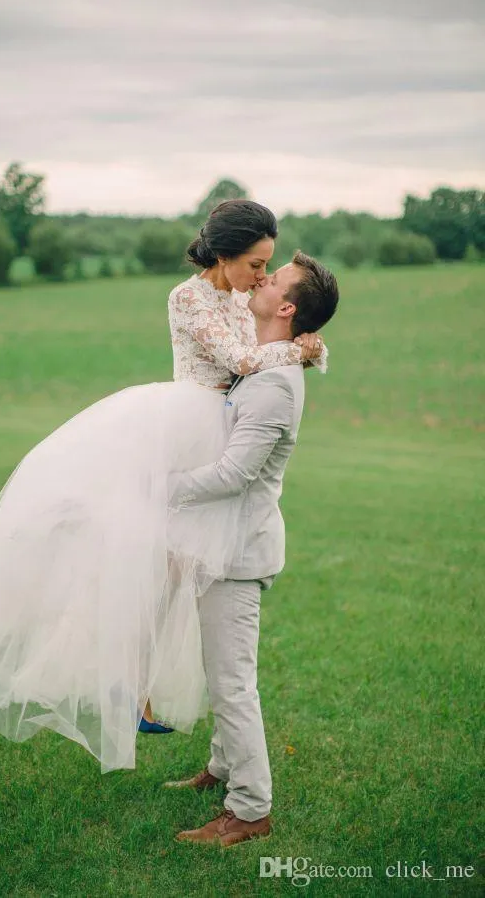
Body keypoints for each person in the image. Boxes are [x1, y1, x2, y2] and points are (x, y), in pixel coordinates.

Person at [0, 200, 327, 774]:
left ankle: (145, 694)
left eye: (267, 267)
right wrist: (303, 347)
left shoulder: (244, 297)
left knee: (185, 577)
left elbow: (260, 354)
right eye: (256, 264)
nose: (262, 275)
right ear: (225, 254)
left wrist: (306, 343)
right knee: (137, 563)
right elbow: (239, 358)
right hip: (187, 426)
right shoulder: (187, 298)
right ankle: (125, 685)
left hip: (224, 428)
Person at [164, 254, 339, 847]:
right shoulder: (265, 364)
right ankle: (220, 768)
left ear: (287, 308)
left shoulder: (272, 388)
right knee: (223, 671)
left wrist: (161, 488)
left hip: (238, 555)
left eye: (274, 280)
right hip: (225, 542)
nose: (261, 279)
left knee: (232, 682)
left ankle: (250, 809)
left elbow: (234, 474)